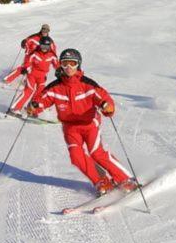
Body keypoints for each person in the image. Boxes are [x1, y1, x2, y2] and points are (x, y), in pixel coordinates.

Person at [26, 48, 138, 196]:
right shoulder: (55, 87)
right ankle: (101, 181)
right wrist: (33, 107)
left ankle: (126, 179)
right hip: (70, 128)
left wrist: (107, 107)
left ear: (78, 64)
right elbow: (41, 100)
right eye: (65, 64)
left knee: (96, 153)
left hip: (90, 124)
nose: (68, 68)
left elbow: (103, 98)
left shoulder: (88, 84)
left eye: (72, 63)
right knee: (76, 156)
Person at [8, 36, 58, 115]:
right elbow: (28, 61)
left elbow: (56, 65)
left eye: (46, 46)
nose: (44, 48)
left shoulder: (52, 55)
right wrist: (26, 68)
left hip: (42, 77)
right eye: (42, 46)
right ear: (40, 45)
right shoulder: (35, 53)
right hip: (32, 75)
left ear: (49, 46)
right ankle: (15, 108)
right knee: (29, 91)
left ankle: (31, 109)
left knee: (39, 94)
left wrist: (60, 71)